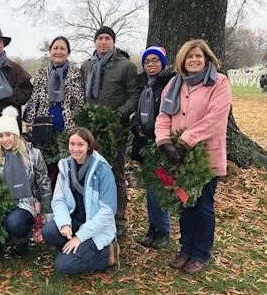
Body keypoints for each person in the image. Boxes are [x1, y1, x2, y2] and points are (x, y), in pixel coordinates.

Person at [155, 39, 231, 274]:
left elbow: (216, 118)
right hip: (178, 156)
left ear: (207, 58)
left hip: (205, 155)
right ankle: (185, 249)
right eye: (189, 57)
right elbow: (163, 116)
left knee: (203, 206)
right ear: (182, 61)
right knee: (185, 203)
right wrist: (164, 142)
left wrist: (185, 141)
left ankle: (200, 253)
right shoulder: (174, 84)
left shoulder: (219, 82)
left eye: (198, 56)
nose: (194, 60)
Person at [81, 26, 140, 237]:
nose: (103, 42)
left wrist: (118, 115)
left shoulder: (125, 66)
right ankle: (94, 215)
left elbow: (134, 96)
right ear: (95, 42)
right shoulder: (87, 66)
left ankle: (119, 218)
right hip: (91, 130)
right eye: (100, 38)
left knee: (115, 173)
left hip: (115, 129)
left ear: (113, 42)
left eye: (107, 38)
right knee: (91, 173)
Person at [41, 127, 120, 274]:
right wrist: (64, 223)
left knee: (63, 266)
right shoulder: (65, 166)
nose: (75, 149)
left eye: (80, 145)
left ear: (89, 145)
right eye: (72, 144)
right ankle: (77, 252)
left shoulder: (102, 170)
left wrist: (80, 236)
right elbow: (59, 200)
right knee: (48, 231)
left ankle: (107, 254)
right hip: (74, 222)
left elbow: (108, 212)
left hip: (95, 229)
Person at [0, 106, 53, 257]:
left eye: (8, 134)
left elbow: (44, 184)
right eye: (1, 136)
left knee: (14, 222)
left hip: (26, 203)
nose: (5, 140)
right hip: (3, 203)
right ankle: (3, 239)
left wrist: (48, 213)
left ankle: (22, 239)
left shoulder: (33, 155)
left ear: (16, 134)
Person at [129, 46, 175, 249]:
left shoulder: (169, 83)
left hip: (160, 143)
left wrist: (148, 128)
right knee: (149, 187)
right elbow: (135, 109)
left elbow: (169, 111)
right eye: (147, 61)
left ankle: (164, 228)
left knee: (160, 186)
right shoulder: (141, 84)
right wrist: (135, 125)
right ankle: (152, 227)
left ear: (162, 63)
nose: (151, 64)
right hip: (143, 143)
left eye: (155, 60)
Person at [25, 36, 85, 132]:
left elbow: (79, 104)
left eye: (62, 49)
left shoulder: (76, 74)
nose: (58, 52)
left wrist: (75, 126)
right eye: (55, 48)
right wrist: (30, 127)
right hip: (43, 125)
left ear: (68, 52)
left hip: (68, 127)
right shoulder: (41, 74)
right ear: (50, 51)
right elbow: (33, 103)